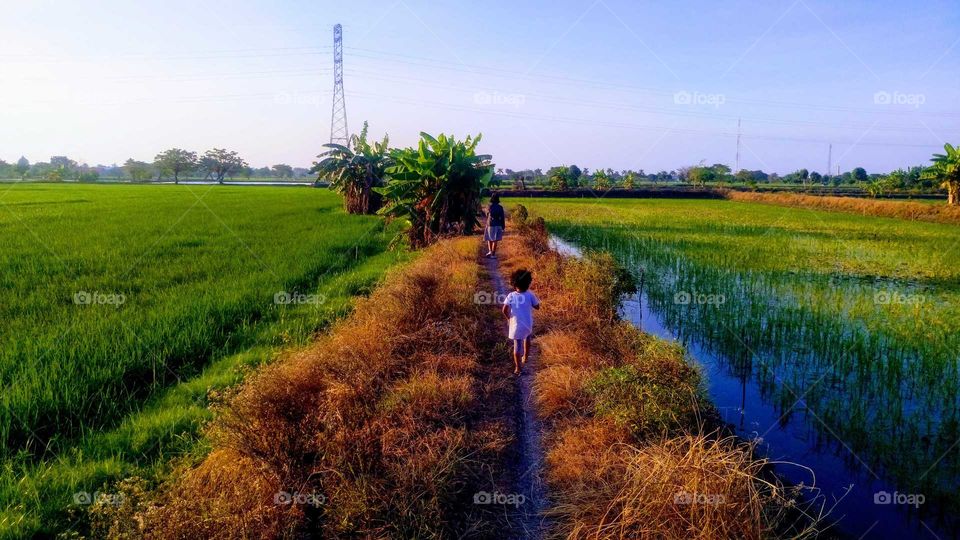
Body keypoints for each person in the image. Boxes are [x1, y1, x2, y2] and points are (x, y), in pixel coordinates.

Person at [502, 269, 540, 375]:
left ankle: (518, 368)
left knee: (517, 346)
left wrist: (509, 318)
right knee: (527, 339)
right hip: (527, 324)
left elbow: (504, 310)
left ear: (514, 284)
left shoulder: (511, 295)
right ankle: (525, 357)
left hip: (515, 325)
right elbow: (537, 307)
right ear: (528, 283)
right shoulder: (530, 294)